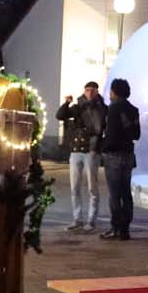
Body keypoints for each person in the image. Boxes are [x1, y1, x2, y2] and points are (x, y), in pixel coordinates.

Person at [56, 81, 107, 231]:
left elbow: (99, 127)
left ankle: (91, 220)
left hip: (92, 150)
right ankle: (77, 218)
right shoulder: (78, 106)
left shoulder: (102, 108)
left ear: (97, 92)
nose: (89, 93)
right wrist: (67, 103)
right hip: (76, 149)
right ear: (84, 91)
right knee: (75, 187)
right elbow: (60, 115)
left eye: (92, 90)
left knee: (92, 187)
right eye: (87, 90)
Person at [99, 78, 140, 240]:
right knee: (126, 192)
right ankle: (125, 228)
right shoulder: (134, 110)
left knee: (114, 194)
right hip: (128, 155)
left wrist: (103, 148)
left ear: (114, 92)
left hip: (113, 155)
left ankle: (115, 227)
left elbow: (111, 134)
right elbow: (136, 135)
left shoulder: (113, 108)